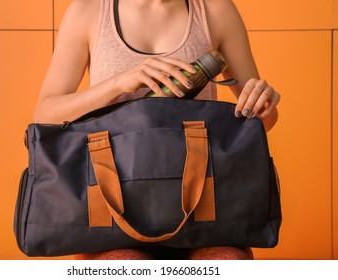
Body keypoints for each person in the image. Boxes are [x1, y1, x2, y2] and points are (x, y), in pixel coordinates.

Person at [33, 0, 280, 260]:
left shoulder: (215, 11)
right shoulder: (88, 11)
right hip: (112, 204)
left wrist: (263, 104)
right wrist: (118, 84)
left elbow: (263, 120)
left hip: (203, 204)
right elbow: (45, 115)